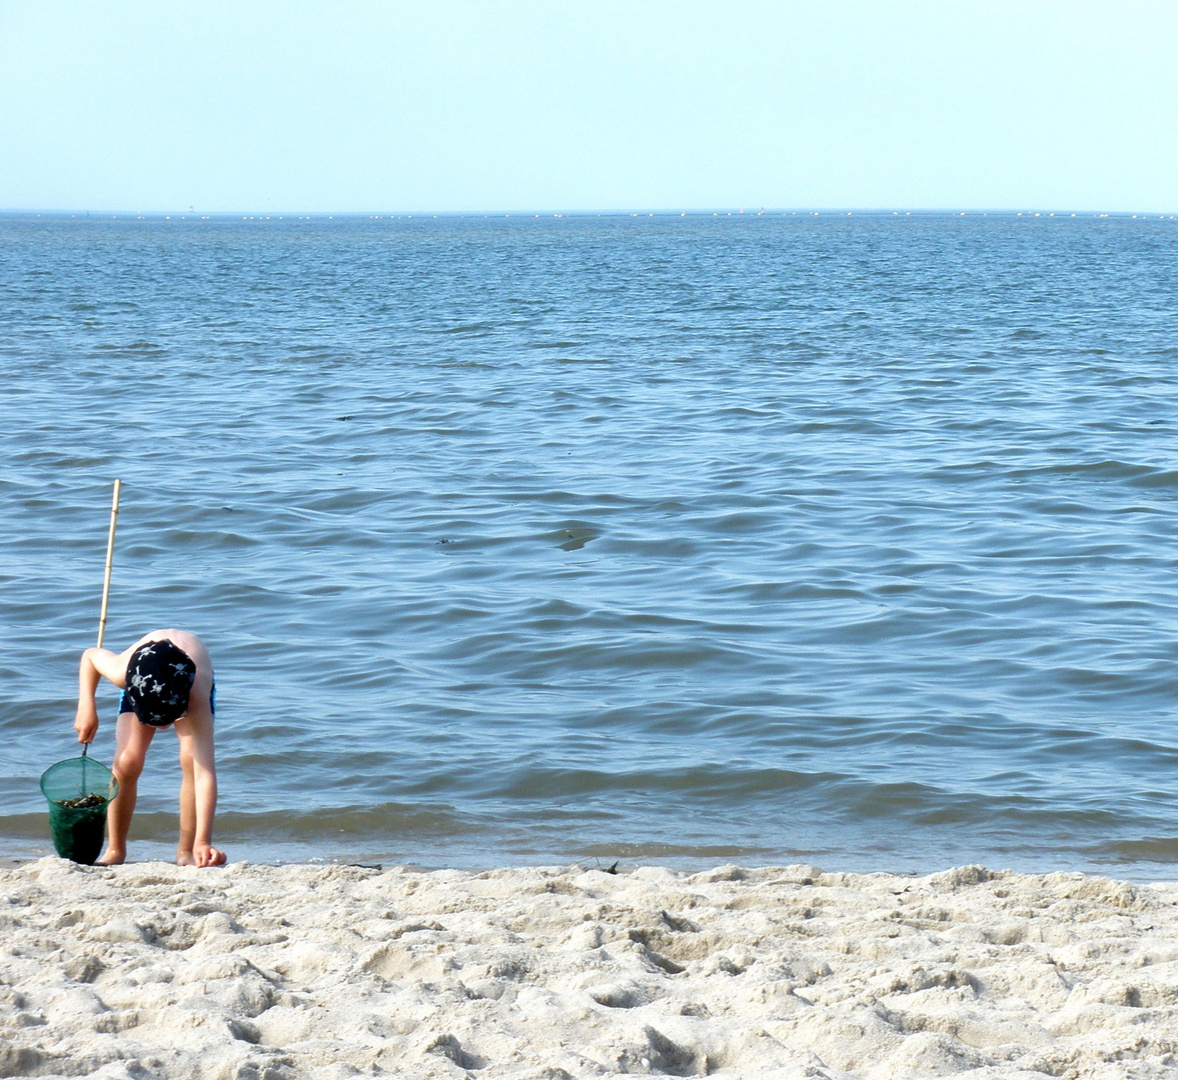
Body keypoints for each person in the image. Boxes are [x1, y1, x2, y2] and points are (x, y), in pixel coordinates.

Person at [73, 629, 226, 867]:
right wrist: (86, 707)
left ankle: (187, 849)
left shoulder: (196, 694)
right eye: (152, 722)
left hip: (180, 681)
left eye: (169, 720)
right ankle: (115, 850)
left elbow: (205, 772)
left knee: (192, 760)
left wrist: (204, 841)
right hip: (144, 678)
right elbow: (90, 656)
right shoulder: (122, 673)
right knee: (126, 763)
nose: (162, 728)